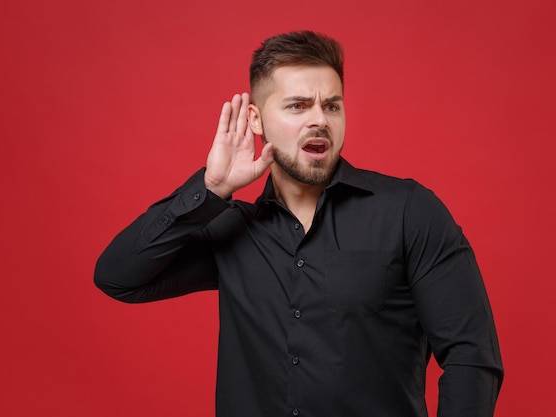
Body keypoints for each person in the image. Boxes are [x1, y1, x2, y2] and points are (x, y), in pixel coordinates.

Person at [94, 30, 503, 417]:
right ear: (255, 120)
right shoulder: (232, 229)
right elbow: (119, 277)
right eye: (297, 105)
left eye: (332, 105)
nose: (320, 120)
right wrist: (211, 188)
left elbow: (471, 355)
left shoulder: (409, 211)